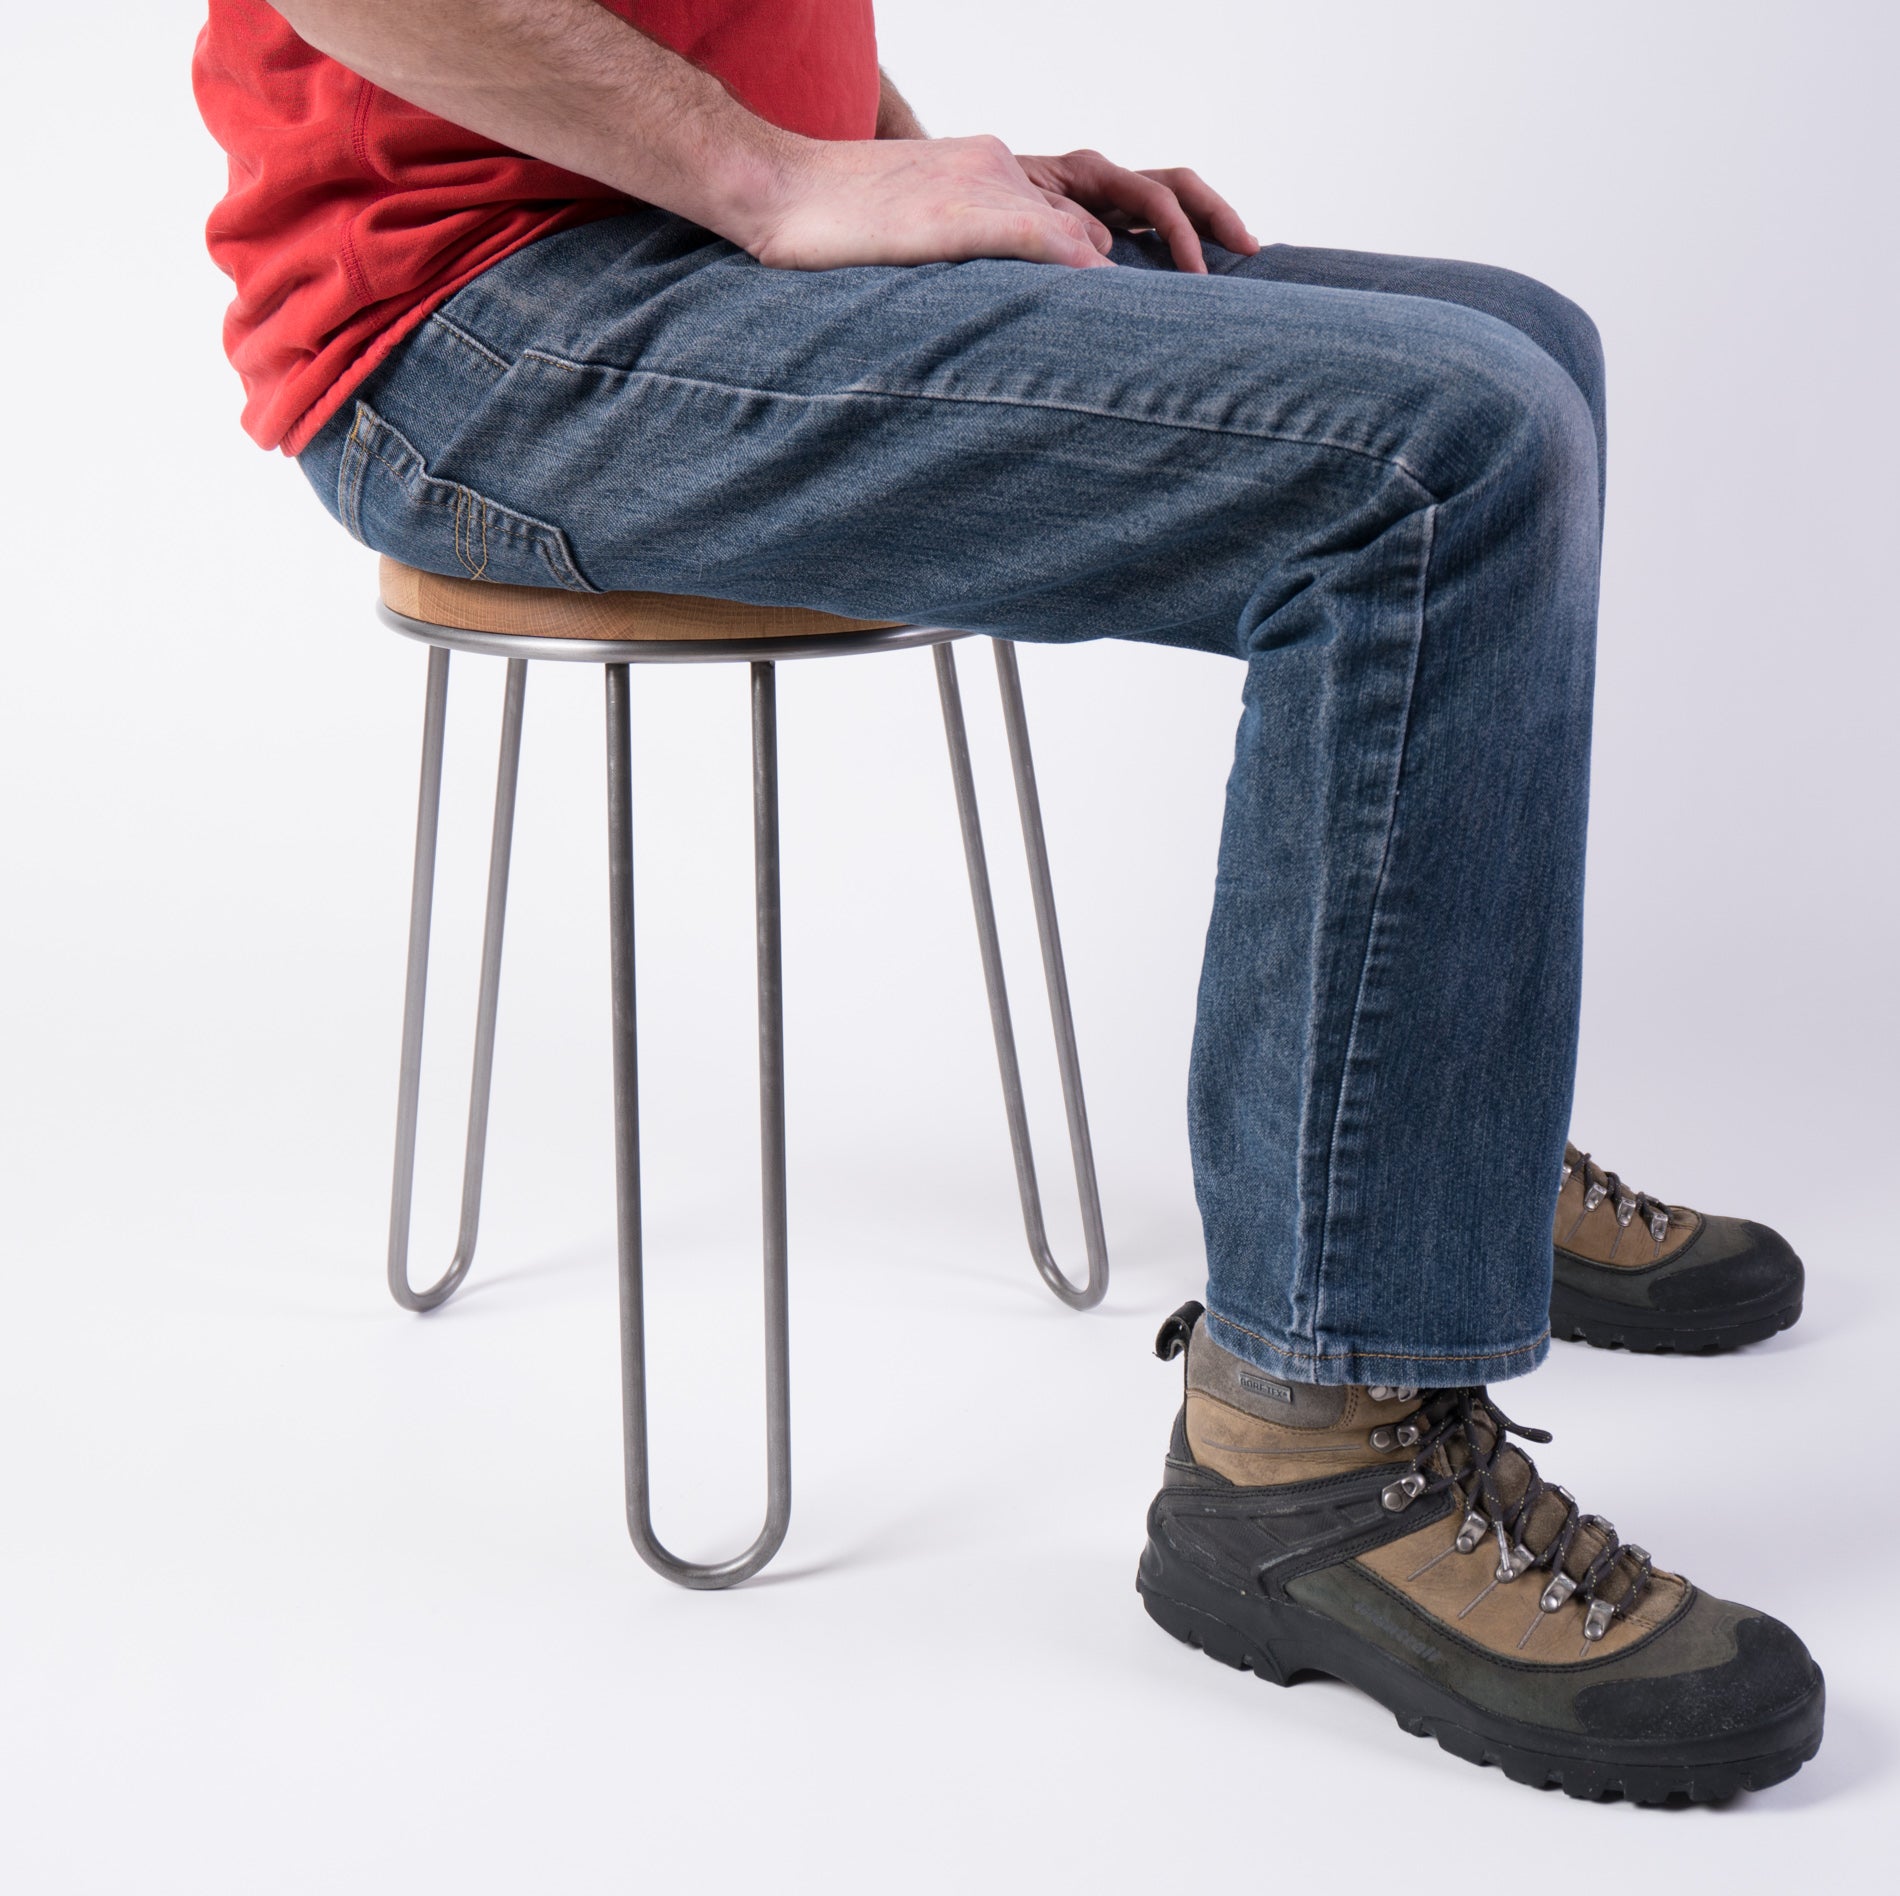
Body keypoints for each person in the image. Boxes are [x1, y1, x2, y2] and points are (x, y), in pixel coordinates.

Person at [193, 0, 1820, 1800]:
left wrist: (922, 177)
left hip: (700, 236)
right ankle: (1310, 1454)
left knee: (1525, 348)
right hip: (487, 330)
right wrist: (778, 180)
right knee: (1441, 451)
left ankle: (1431, 1182)